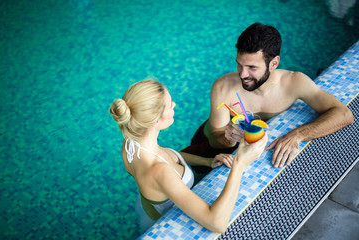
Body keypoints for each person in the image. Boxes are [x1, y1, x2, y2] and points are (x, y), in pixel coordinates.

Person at [182, 22, 354, 175]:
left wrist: (297, 135)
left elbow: (344, 114)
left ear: (274, 63)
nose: (243, 74)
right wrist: (228, 139)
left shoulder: (294, 83)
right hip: (208, 143)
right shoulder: (223, 87)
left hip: (246, 143)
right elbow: (215, 139)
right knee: (194, 172)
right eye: (239, 64)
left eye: (252, 67)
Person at [109, 80, 267, 233]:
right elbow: (217, 223)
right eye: (170, 104)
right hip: (162, 221)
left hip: (146, 207)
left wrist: (207, 161)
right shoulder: (161, 172)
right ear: (156, 120)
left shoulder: (131, 141)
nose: (174, 105)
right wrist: (240, 163)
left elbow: (167, 154)